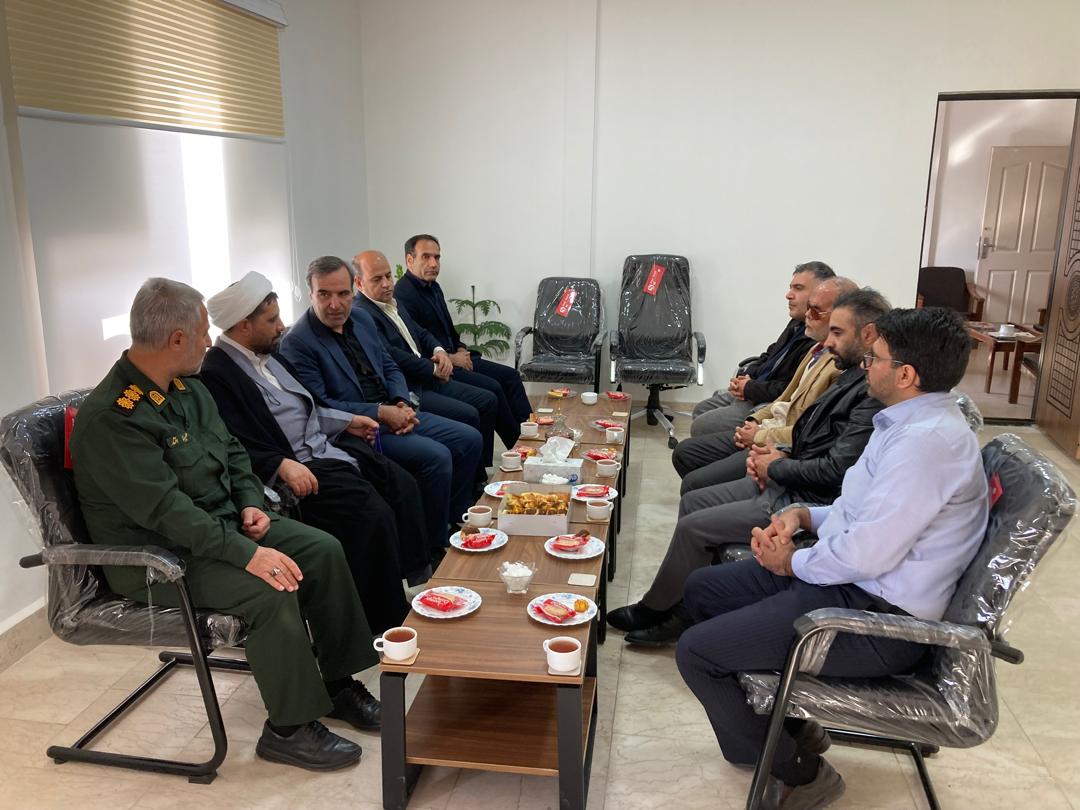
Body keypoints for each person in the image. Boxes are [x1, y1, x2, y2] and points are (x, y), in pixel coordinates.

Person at [676, 306, 988, 809]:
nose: (866, 366)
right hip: (847, 583)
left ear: (906, 375)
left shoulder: (926, 446)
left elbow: (867, 554)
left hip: (876, 619)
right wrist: (803, 516)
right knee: (701, 590)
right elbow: (856, 512)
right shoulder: (904, 422)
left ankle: (803, 774)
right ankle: (791, 729)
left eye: (875, 358)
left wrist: (789, 563)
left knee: (697, 653)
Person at [70, 278, 381, 772]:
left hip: (219, 527)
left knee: (323, 550)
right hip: (158, 559)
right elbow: (167, 512)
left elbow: (232, 451)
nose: (210, 341)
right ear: (176, 339)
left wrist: (250, 502)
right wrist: (250, 555)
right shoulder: (113, 418)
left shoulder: (187, 388)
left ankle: (336, 684)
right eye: (202, 333)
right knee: (270, 588)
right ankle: (289, 729)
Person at [609, 288, 890, 645]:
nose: (828, 342)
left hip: (800, 496)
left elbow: (835, 469)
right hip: (787, 473)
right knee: (694, 498)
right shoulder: (849, 372)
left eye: (837, 332)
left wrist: (776, 464)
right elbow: (805, 425)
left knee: (695, 526)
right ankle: (682, 598)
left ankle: (663, 610)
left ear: (868, 334)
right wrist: (775, 454)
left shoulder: (868, 392)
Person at [200, 272, 425, 628]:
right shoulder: (217, 372)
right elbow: (233, 441)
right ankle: (383, 619)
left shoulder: (267, 353)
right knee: (372, 513)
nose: (281, 326)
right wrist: (280, 464)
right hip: (299, 466)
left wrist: (348, 421)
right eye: (272, 320)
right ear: (243, 325)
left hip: (324, 446)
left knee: (401, 484)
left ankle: (400, 585)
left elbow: (309, 407)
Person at [281, 256, 483, 556]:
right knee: (436, 456)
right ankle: (432, 548)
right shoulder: (298, 341)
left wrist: (401, 401)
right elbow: (322, 405)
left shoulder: (362, 319)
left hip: (395, 409)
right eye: (324, 294)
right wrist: (380, 412)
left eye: (343, 294)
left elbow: (389, 366)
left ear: (353, 291)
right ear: (310, 293)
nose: (335, 304)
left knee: (469, 439)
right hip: (359, 429)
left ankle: (452, 523)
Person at [677, 277, 855, 495]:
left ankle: (712, 497)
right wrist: (753, 418)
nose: (807, 313)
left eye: (815, 310)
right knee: (686, 452)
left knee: (696, 471)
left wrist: (758, 431)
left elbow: (805, 428)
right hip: (766, 418)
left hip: (779, 441)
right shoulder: (811, 343)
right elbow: (783, 388)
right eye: (808, 307)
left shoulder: (838, 366)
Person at [353, 250, 501, 468]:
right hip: (411, 386)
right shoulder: (361, 313)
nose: (386, 284)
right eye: (377, 279)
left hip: (429, 375)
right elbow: (393, 356)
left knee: (487, 399)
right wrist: (433, 369)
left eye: (388, 276)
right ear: (359, 283)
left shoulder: (392, 302)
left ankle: (482, 471)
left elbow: (421, 332)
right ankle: (475, 479)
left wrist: (440, 351)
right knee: (469, 415)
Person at [678, 261, 832, 455]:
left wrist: (749, 387)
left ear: (820, 294)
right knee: (702, 408)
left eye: (798, 288)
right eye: (790, 287)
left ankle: (724, 457)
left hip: (765, 401)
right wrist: (746, 377)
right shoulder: (796, 322)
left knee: (701, 425)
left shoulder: (816, 338)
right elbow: (770, 354)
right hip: (755, 389)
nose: (788, 294)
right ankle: (712, 455)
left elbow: (788, 391)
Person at [394, 234, 532, 434]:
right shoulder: (402, 294)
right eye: (426, 257)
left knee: (510, 376)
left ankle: (531, 433)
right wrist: (452, 358)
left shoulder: (434, 287)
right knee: (493, 389)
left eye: (437, 257)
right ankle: (519, 443)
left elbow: (449, 329)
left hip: (457, 356)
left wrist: (460, 348)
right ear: (409, 260)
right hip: (441, 367)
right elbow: (415, 345)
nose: (433, 263)